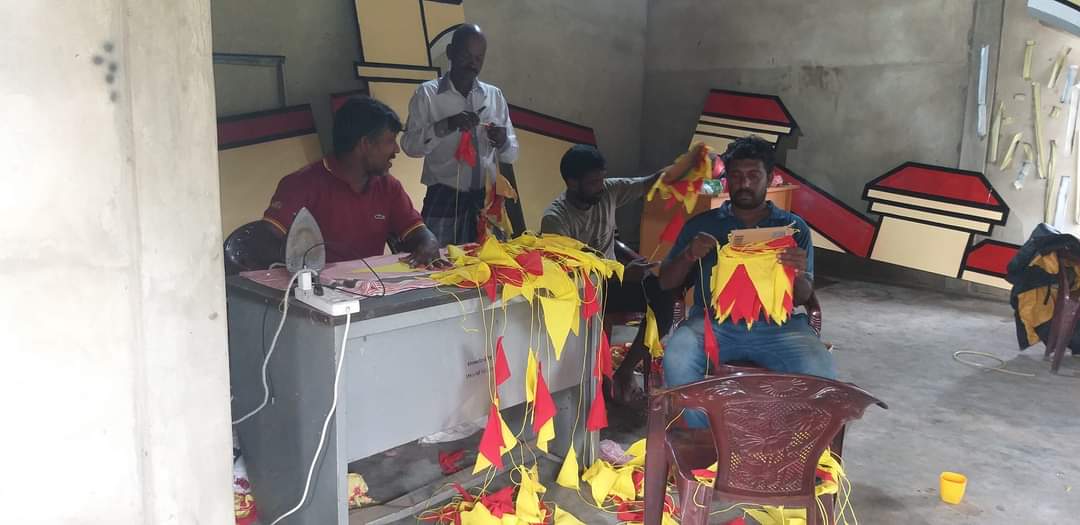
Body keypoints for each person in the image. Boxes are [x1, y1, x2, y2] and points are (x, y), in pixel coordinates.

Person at [659, 136, 835, 427]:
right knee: (676, 358)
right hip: (712, 324)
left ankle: (781, 440)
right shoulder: (702, 225)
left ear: (770, 178)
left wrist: (797, 273)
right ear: (727, 179)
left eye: (754, 175)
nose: (744, 184)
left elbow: (804, 296)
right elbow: (666, 282)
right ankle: (712, 438)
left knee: (821, 370)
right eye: (737, 176)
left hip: (777, 327)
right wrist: (689, 254)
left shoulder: (793, 227)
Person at [540, 144, 685, 406]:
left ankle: (625, 372)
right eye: (593, 182)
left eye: (602, 179)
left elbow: (653, 182)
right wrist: (621, 275)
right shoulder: (555, 219)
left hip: (615, 282)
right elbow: (569, 275)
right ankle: (589, 386)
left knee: (664, 297)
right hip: (581, 292)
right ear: (572, 183)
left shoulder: (608, 190)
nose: (600, 187)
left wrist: (690, 163)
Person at [262, 96, 442, 267]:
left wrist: (429, 242)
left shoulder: (388, 187)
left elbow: (417, 231)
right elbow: (265, 241)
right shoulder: (300, 185)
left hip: (372, 285)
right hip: (315, 287)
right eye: (390, 141)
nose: (396, 150)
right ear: (365, 144)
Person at [401, 24, 519, 246]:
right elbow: (410, 146)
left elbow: (511, 154)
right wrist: (445, 125)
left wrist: (503, 140)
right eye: (466, 55)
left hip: (486, 201)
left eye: (479, 58)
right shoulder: (427, 94)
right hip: (443, 197)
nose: (473, 64)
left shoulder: (494, 96)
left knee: (488, 262)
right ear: (450, 52)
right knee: (439, 262)